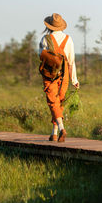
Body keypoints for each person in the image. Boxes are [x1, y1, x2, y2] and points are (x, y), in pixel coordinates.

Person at [39, 13, 79, 142]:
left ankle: (61, 129)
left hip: (49, 74)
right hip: (65, 73)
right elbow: (72, 60)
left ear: (49, 26)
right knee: (59, 101)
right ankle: (54, 133)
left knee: (53, 102)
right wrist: (74, 79)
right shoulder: (68, 39)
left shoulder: (45, 39)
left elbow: (41, 57)